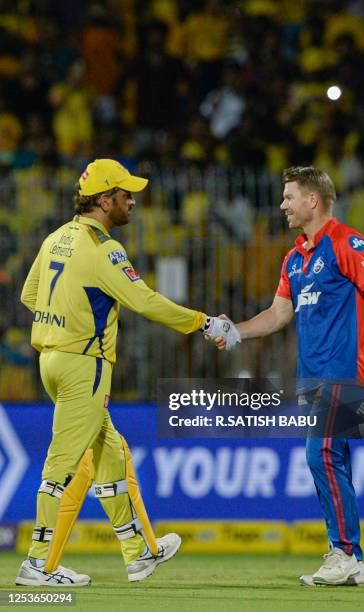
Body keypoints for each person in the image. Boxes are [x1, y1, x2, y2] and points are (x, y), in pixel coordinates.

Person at [16, 158, 240, 587]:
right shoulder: (105, 249)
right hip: (86, 365)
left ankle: (137, 553)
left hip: (51, 360)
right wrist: (205, 322)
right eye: (125, 195)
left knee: (112, 454)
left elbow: (30, 295)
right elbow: (147, 301)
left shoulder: (55, 238)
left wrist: (65, 318)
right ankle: (36, 564)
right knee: (60, 467)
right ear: (104, 201)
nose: (132, 202)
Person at [216, 166, 364, 586]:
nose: (282, 204)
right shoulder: (294, 258)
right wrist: (236, 331)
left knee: (322, 456)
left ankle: (346, 553)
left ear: (312, 201)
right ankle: (348, 556)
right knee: (329, 460)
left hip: (343, 372)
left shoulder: (347, 242)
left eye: (289, 196)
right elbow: (279, 314)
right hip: (311, 378)